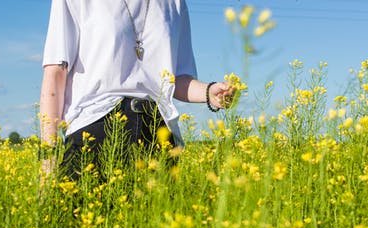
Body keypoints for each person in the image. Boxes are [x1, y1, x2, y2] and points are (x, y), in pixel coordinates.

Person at [39, 0, 235, 179]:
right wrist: (49, 157)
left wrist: (209, 92)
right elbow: (55, 73)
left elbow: (176, 79)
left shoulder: (175, 3)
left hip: (158, 134)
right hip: (93, 132)